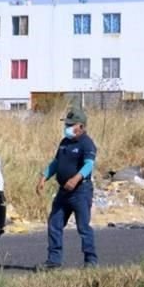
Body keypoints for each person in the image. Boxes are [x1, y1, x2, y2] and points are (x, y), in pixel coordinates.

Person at [34, 105, 98, 270]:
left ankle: (91, 261)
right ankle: (54, 261)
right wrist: (44, 176)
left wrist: (76, 179)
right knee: (54, 223)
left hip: (80, 191)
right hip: (63, 192)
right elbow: (56, 163)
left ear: (81, 127)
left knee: (83, 227)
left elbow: (89, 165)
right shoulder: (64, 143)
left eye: (71, 125)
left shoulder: (87, 143)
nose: (67, 128)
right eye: (66, 125)